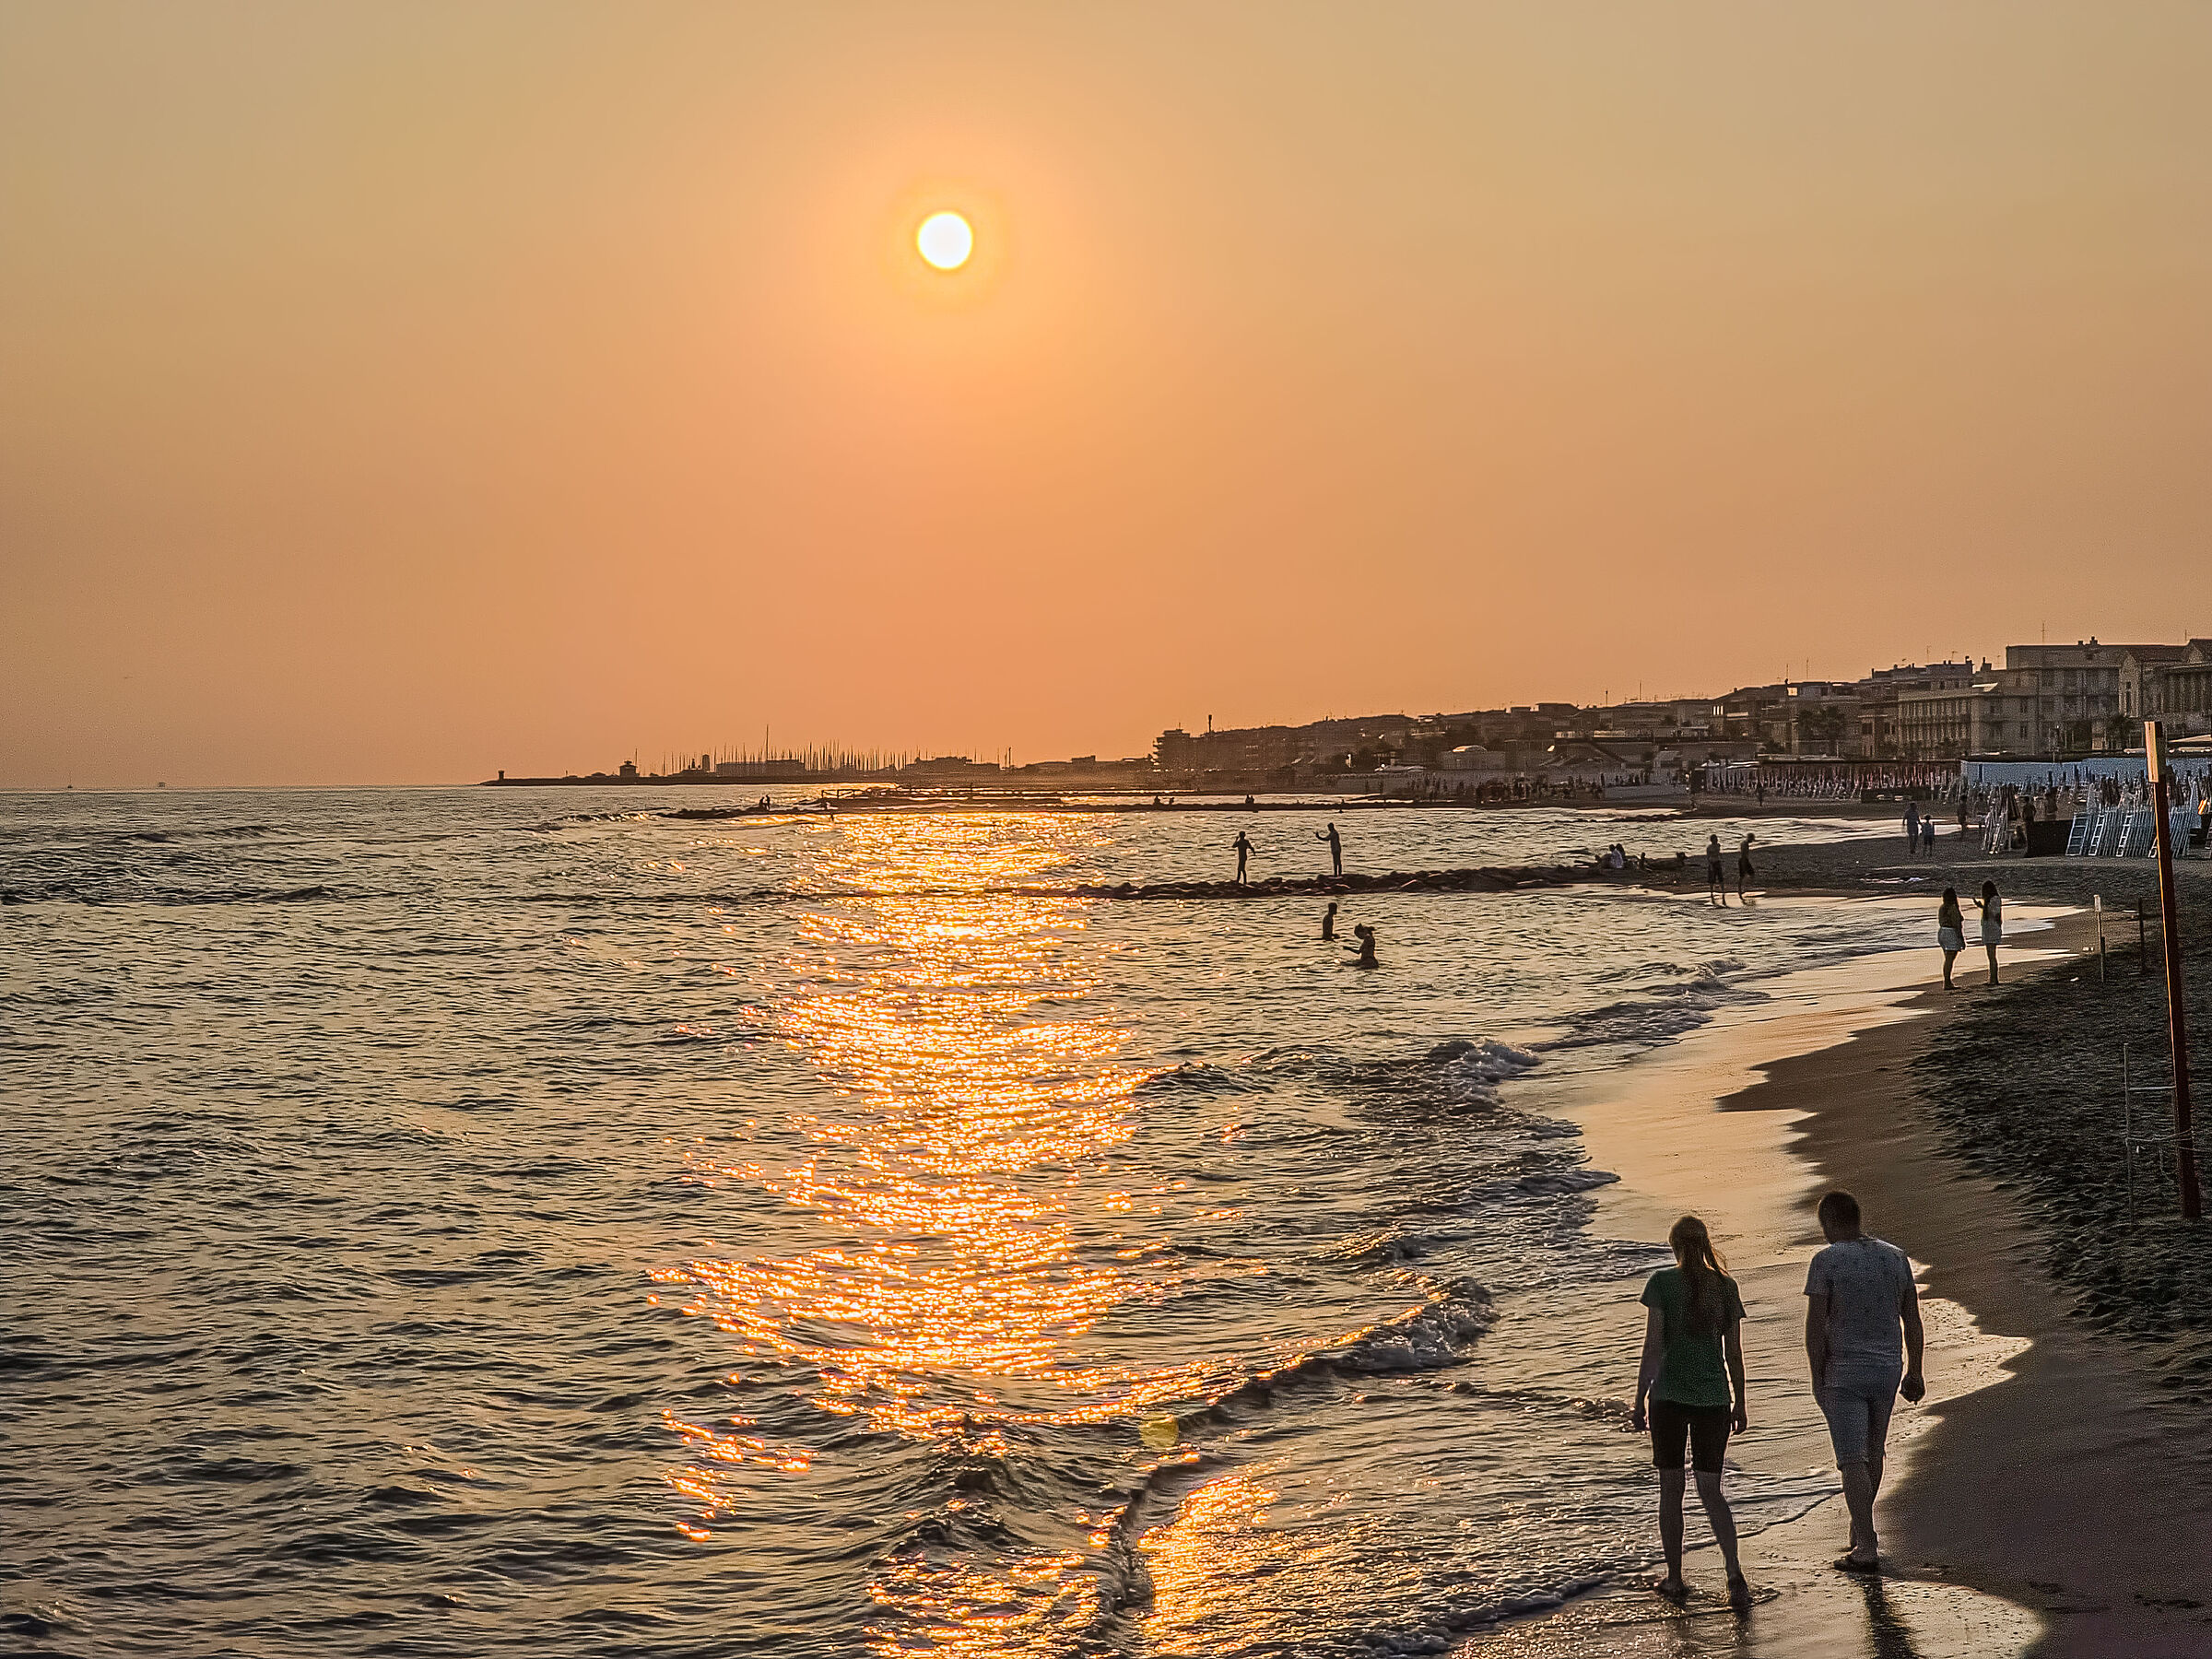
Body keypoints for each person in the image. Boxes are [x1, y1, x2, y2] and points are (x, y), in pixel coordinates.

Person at [1631, 1215, 1752, 1609]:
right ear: (1704, 1245)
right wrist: (1740, 1401)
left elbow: (1653, 1347)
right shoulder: (1726, 1287)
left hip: (1667, 1399)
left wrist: (1639, 1398)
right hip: (1714, 1399)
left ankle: (1675, 1577)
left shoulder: (1661, 1283)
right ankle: (1733, 1572)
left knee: (1671, 1489)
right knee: (1711, 1491)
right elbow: (1734, 1353)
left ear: (1674, 1246)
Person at [1805, 1191, 1924, 1573]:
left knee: (1851, 1458)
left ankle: (1867, 1544)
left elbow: (1815, 1328)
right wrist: (1916, 1369)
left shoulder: (1826, 1261)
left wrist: (1817, 1375)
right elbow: (1912, 1319)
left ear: (1829, 1222)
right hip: (1887, 1367)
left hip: (1844, 1371)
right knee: (1874, 1450)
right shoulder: (1895, 1257)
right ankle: (1861, 1527)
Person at [1936, 888, 1965, 990]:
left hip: (1942, 931)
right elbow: (1957, 924)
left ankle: (1947, 981)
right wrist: (1961, 938)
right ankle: (1947, 982)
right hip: (1950, 932)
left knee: (1948, 957)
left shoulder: (1942, 908)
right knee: (1950, 958)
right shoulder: (1952, 908)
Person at [1974, 879, 2001, 985]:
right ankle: (1992, 978)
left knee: (1992, 955)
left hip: (1992, 928)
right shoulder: (1991, 900)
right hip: (1989, 929)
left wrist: (1984, 906)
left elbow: (1995, 913)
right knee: (1990, 955)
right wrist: (1981, 906)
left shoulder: (1995, 899)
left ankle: (1994, 979)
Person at [1735, 833, 1756, 901]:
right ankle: (1742, 889)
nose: (1752, 841)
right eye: (1752, 839)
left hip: (1744, 860)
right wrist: (1744, 863)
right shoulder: (1745, 844)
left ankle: (1743, 888)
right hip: (1743, 860)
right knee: (1743, 875)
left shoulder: (1744, 843)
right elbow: (1743, 854)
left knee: (1749, 874)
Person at [1706, 834, 1725, 904]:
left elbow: (1719, 853)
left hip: (1717, 862)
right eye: (1715, 839)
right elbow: (1708, 857)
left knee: (1720, 877)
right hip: (1712, 862)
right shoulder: (1709, 847)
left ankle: (1723, 891)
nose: (1716, 840)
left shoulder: (1718, 845)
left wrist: (1721, 859)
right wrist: (1710, 865)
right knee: (1712, 879)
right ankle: (1711, 892)